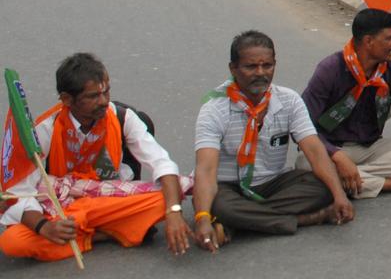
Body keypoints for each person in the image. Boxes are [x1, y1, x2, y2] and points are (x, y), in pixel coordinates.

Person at [0, 53, 189, 261]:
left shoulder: (121, 117)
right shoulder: (46, 130)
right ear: (67, 99)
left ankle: (91, 233)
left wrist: (173, 211)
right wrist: (45, 227)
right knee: (13, 240)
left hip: (106, 199)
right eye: (93, 96)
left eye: (106, 92)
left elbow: (161, 162)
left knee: (170, 193)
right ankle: (108, 232)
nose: (104, 101)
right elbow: (20, 191)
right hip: (64, 207)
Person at [193, 31, 354, 249]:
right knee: (220, 205)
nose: (260, 73)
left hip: (272, 183)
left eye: (267, 66)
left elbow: (315, 151)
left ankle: (240, 222)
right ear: (233, 69)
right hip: (228, 186)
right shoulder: (214, 109)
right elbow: (206, 170)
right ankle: (303, 219)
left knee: (323, 186)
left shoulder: (289, 100)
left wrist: (339, 195)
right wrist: (202, 219)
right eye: (251, 67)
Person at [300, 9, 391, 199]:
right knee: (304, 164)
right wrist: (338, 157)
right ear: (368, 41)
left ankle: (350, 177)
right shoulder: (331, 69)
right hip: (334, 149)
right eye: (389, 39)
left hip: (371, 148)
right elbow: (304, 127)